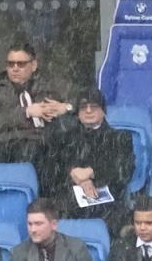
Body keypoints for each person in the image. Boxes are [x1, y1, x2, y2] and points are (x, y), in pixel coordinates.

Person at [0, 42, 73, 180]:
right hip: (4, 144)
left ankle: (40, 200)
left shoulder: (51, 83)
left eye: (21, 64)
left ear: (33, 65)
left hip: (42, 143)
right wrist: (26, 112)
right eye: (11, 64)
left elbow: (83, 100)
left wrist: (66, 107)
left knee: (42, 158)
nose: (15, 68)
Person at [37, 87, 135, 234]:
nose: (88, 111)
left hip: (107, 203)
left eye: (94, 106)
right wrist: (73, 174)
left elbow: (124, 170)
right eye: (83, 107)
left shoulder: (120, 138)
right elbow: (49, 171)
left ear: (103, 110)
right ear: (77, 112)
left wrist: (92, 173)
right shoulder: (64, 139)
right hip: (69, 201)